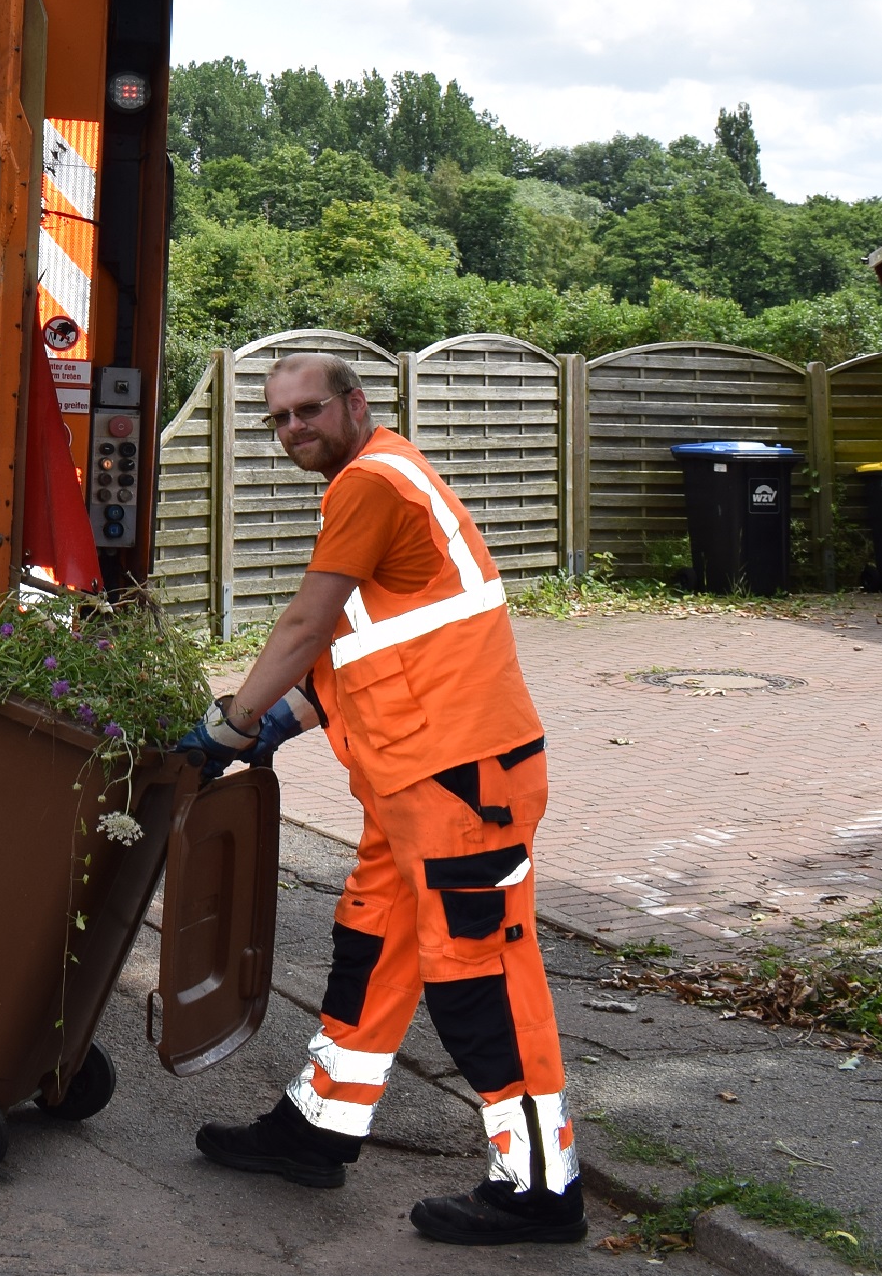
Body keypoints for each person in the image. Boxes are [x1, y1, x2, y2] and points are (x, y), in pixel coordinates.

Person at [181, 351, 583, 1247]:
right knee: (371, 953)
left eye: (309, 410)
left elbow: (306, 625)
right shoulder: (377, 482)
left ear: (356, 404)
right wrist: (283, 716)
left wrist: (234, 722)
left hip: (459, 784)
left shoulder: (371, 483)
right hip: (414, 787)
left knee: (481, 977)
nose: (294, 431)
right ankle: (318, 1127)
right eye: (278, 419)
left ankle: (541, 1187)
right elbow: (363, 649)